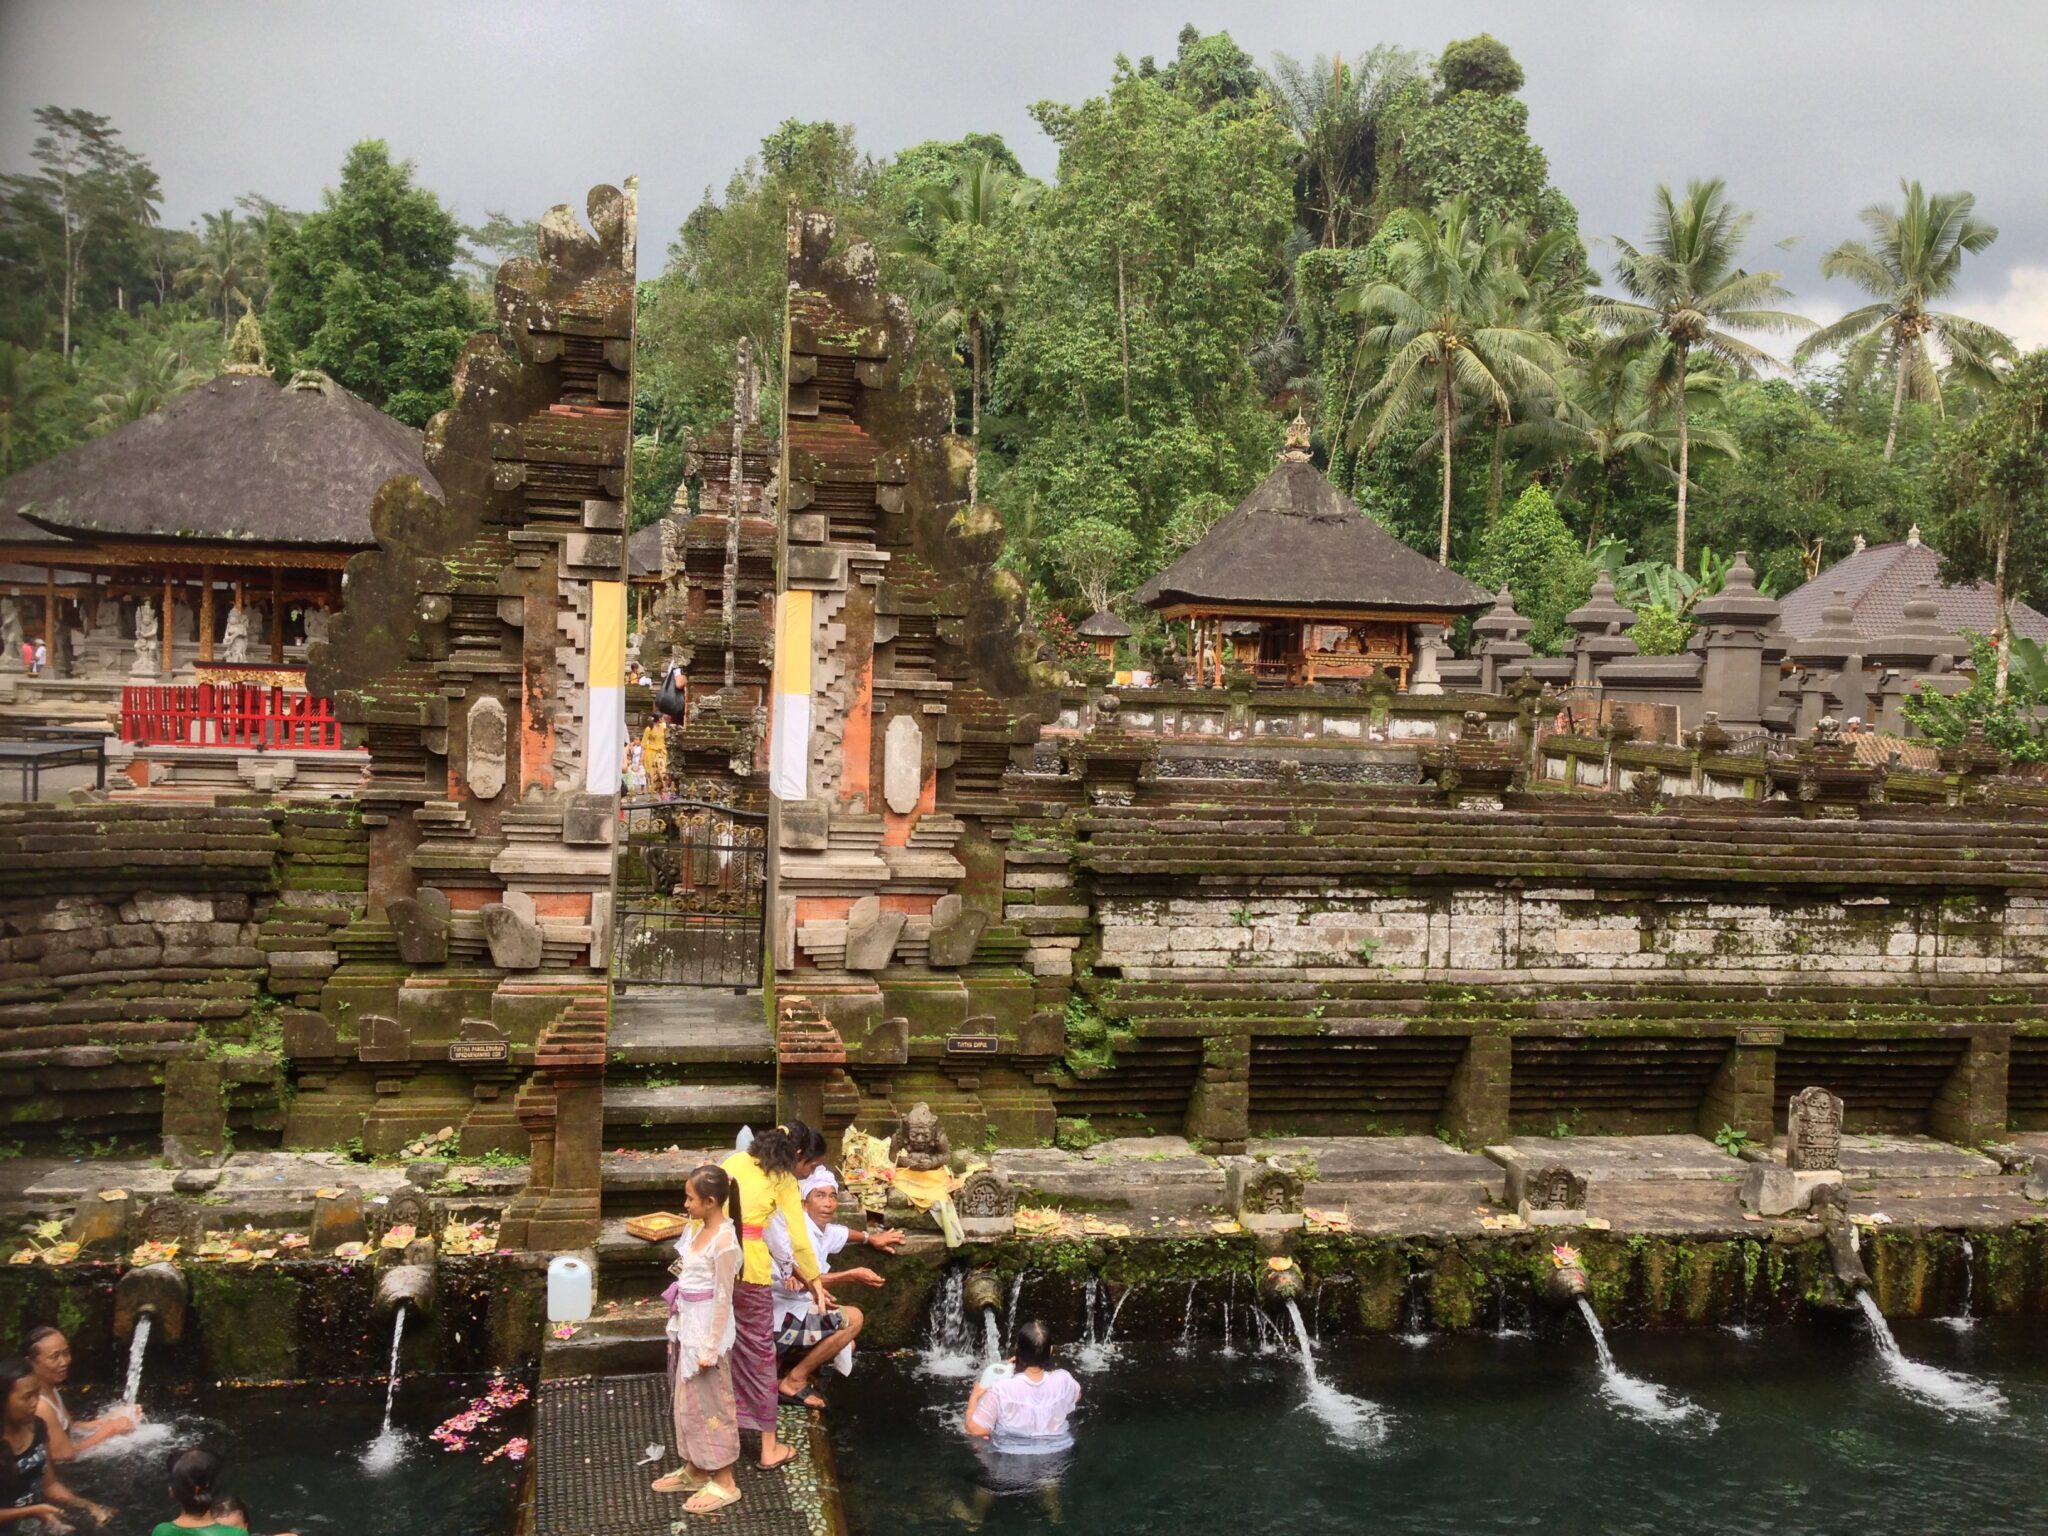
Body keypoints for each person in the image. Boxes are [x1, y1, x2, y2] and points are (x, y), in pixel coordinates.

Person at [720, 1125, 830, 1471]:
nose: (808, 1173)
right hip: (748, 1270)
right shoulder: (783, 1180)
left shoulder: (734, 1161)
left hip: (713, 1266)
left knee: (719, 1348)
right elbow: (796, 1239)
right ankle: (768, 1447)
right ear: (797, 1155)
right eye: (810, 1167)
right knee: (758, 1353)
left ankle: (719, 1432)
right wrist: (813, 1279)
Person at [767, 1167, 904, 1408]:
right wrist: (851, 1275)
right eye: (819, 1196)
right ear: (804, 1203)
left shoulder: (821, 1230)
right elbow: (803, 1280)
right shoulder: (799, 1233)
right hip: (778, 1320)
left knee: (846, 1344)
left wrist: (870, 1238)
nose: (828, 1203)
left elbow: (841, 1233)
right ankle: (793, 1380)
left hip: (794, 1313)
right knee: (854, 1319)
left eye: (832, 1196)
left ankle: (787, 1363)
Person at [653, 1165, 744, 1517]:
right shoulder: (698, 1229)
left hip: (708, 1331)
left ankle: (724, 1480)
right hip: (689, 1325)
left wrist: (710, 1346)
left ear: (709, 1201)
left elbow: (724, 1297)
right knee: (688, 1401)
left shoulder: (724, 1241)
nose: (685, 1203)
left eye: (690, 1198)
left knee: (714, 1405)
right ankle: (694, 1467)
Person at [955, 1322, 1080, 1527]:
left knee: (990, 1481)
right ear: (1051, 1351)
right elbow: (1076, 1396)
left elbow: (976, 1430)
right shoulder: (1064, 1379)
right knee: (1048, 1479)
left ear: (1017, 1351)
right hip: (1057, 1453)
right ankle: (1055, 1515)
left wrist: (974, 1397)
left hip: (1010, 1457)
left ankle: (974, 1518)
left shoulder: (1001, 1388)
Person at [1, 1357, 111, 1532]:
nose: (34, 1402)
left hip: (36, 1521)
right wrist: (35, 1510)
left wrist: (89, 1507)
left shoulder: (37, 1427)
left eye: (37, 1394)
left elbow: (50, 1486)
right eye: (26, 1397)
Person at [21, 1329, 140, 1462]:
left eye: (66, 1353)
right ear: (30, 1362)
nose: (64, 1362)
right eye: (55, 1357)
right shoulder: (40, 1406)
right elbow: (65, 1454)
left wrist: (111, 1418)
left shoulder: (50, 1387)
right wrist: (111, 1429)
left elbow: (71, 1427)